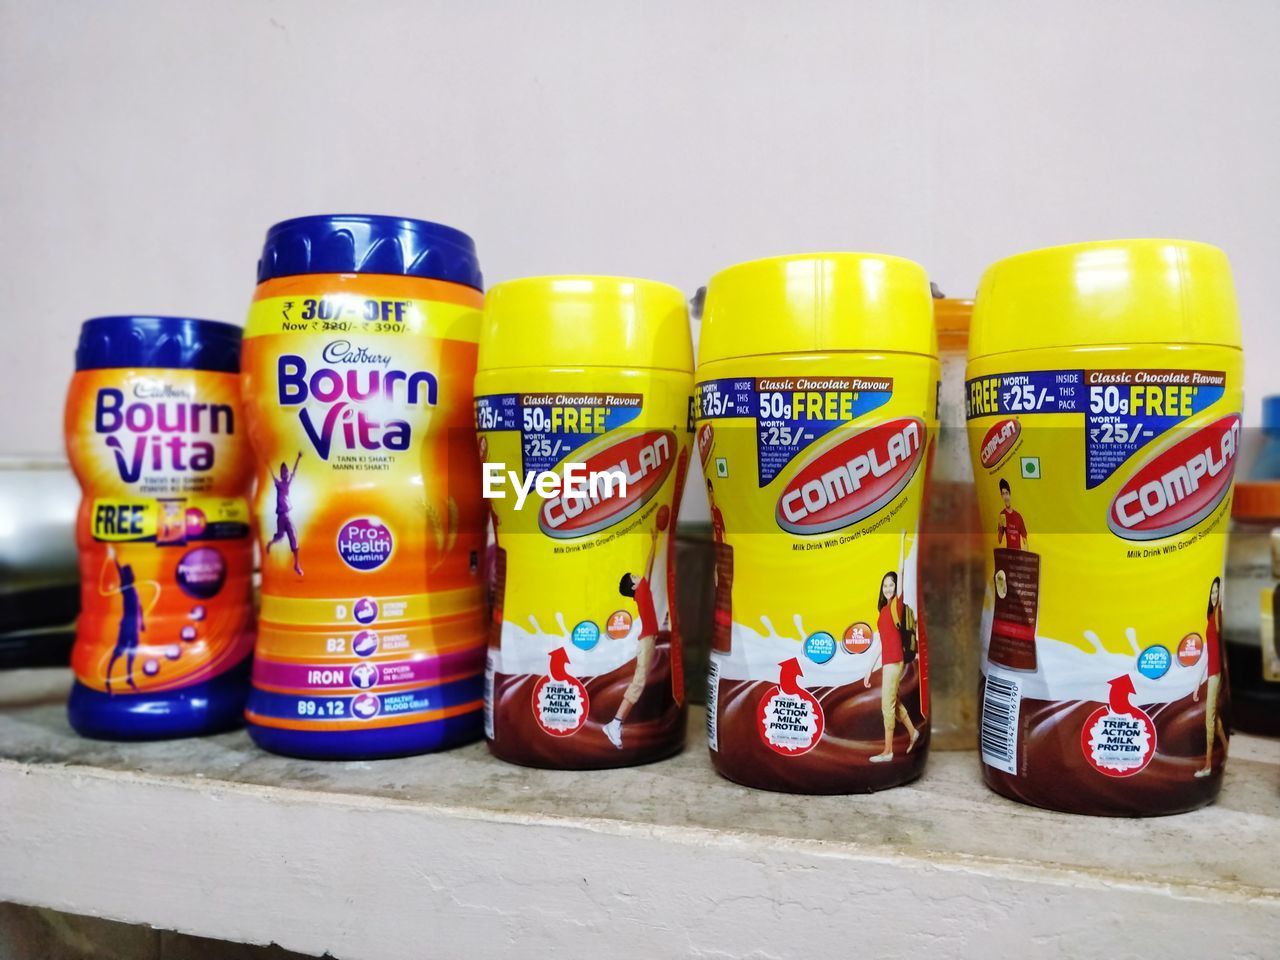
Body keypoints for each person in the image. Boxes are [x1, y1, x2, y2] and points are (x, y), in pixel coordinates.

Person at [603, 524, 662, 749]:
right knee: (638, 683)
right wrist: (654, 542)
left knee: (642, 681)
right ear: (635, 584)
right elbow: (649, 564)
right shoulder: (642, 589)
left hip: (648, 639)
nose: (639, 576)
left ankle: (616, 723)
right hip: (646, 640)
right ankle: (615, 723)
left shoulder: (641, 594)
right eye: (635, 576)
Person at [864, 570, 920, 762]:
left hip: (895, 660)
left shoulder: (896, 605)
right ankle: (913, 733)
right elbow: (881, 642)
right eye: (885, 585)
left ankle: (888, 751)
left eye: (891, 585)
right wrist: (869, 669)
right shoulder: (884, 611)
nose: (888, 588)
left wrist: (903, 542)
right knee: (893, 702)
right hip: (887, 661)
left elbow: (902, 571)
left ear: (896, 587)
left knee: (886, 705)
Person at [101, 545, 148, 694]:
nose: (133, 574)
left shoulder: (134, 589)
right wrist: (114, 558)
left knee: (132, 651)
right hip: (126, 625)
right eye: (130, 573)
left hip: (133, 625)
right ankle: (108, 679)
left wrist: (142, 623)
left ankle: (129, 677)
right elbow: (120, 573)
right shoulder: (126, 587)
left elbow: (139, 607)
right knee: (118, 653)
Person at [1193, 576, 1226, 778]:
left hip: (1217, 673)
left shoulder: (1219, 616)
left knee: (1209, 721)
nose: (1214, 595)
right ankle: (1222, 751)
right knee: (1216, 719)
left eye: (1217, 591)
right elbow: (1208, 653)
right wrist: (1197, 684)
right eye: (1212, 592)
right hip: (1211, 672)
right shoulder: (1210, 617)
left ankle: (1208, 766)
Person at [266, 451, 304, 575]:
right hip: (281, 516)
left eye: (286, 471)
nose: (285, 473)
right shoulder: (278, 483)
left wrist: (298, 458)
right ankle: (271, 543)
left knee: (294, 538)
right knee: (281, 537)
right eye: (283, 471)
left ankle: (297, 565)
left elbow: (295, 470)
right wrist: (268, 465)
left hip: (287, 515)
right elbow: (272, 474)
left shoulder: (288, 483)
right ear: (281, 474)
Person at [997, 478, 1028, 550]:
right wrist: (1001, 526)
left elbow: (1024, 539)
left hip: (1018, 555)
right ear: (1001, 496)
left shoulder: (1018, 516)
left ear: (1010, 494)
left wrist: (1026, 557)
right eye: (1003, 494)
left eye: (1007, 493)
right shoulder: (1002, 515)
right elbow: (999, 540)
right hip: (1008, 555)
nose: (1005, 497)